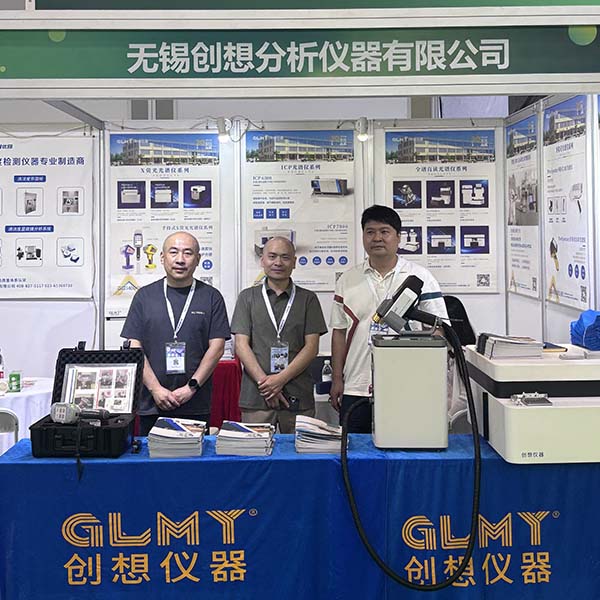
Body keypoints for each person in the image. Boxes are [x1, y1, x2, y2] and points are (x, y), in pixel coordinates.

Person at [329, 205, 449, 433]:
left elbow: (440, 330)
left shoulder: (420, 277)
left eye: (384, 231)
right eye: (370, 232)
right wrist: (337, 379)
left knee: (405, 444)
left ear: (398, 237)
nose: (377, 238)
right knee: (354, 448)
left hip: (408, 383)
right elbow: (339, 332)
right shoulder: (347, 280)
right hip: (356, 384)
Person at [121, 231, 230, 435]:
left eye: (188, 253)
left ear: (198, 259)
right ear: (162, 257)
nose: (180, 259)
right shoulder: (144, 296)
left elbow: (217, 348)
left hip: (196, 402)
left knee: (193, 454)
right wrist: (155, 389)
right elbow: (134, 347)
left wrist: (191, 388)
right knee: (152, 454)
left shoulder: (211, 297)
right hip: (152, 402)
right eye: (173, 252)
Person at [231, 236, 327, 433]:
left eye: (285, 257)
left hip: (298, 395)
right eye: (272, 256)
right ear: (262, 260)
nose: (278, 262)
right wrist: (267, 385)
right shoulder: (247, 297)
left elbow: (311, 348)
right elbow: (241, 345)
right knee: (255, 451)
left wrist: (280, 380)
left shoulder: (308, 299)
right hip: (257, 396)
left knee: (299, 450)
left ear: (294, 262)